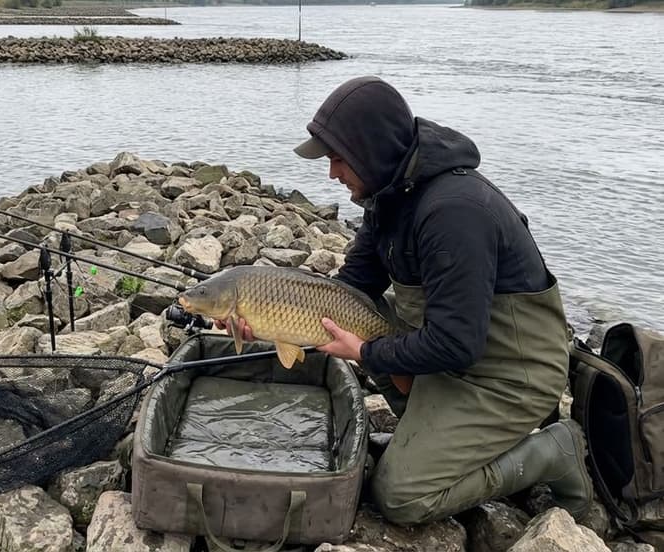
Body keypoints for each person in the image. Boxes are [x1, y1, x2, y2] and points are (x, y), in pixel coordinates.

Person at [218, 75, 594, 525]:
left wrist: (368, 353)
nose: (332, 173)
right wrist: (265, 321)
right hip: (451, 355)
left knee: (400, 497)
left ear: (369, 151)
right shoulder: (390, 195)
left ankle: (552, 451)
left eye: (337, 159)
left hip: (509, 374)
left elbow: (458, 343)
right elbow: (351, 289)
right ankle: (439, 434)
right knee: (364, 322)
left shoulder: (455, 213)